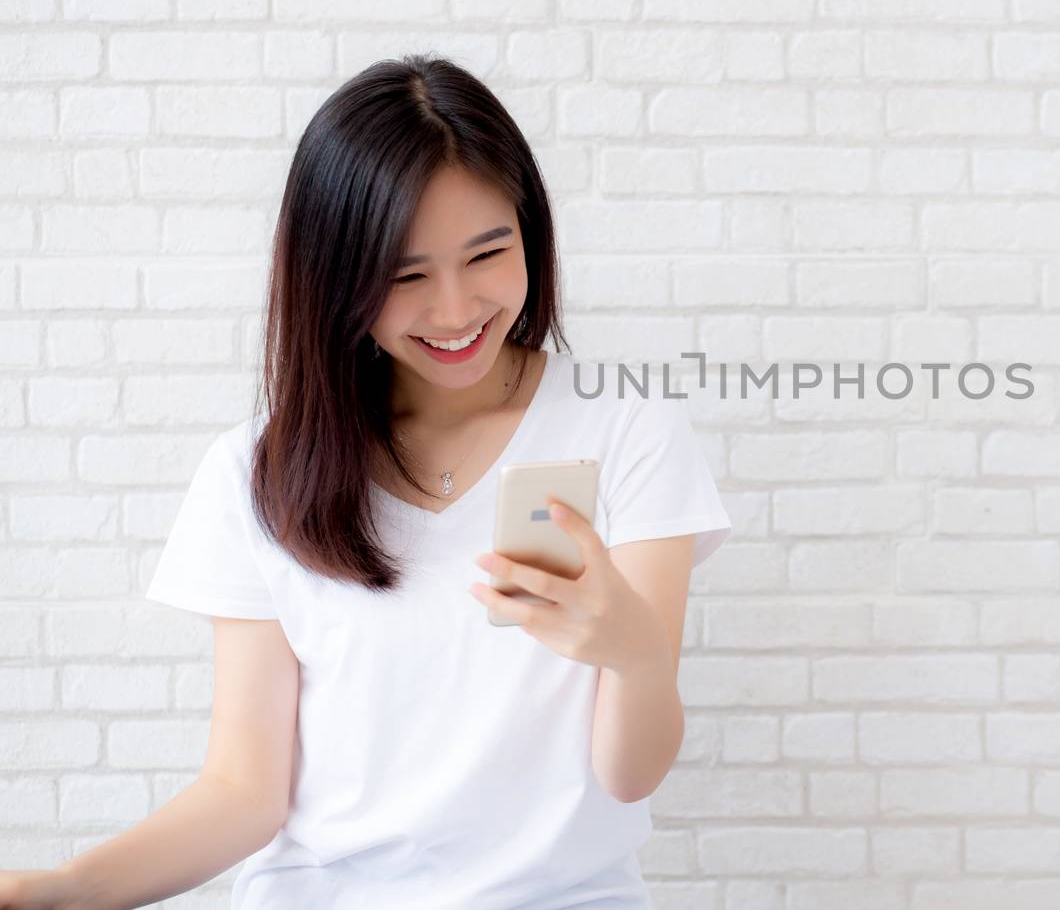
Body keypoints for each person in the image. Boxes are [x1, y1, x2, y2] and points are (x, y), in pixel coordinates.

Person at [0, 55, 732, 910]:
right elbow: (243, 790)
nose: (456, 310)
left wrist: (634, 650)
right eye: (406, 275)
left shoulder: (624, 429)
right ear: (335, 278)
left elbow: (628, 774)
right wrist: (61, 889)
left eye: (488, 253)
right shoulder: (258, 474)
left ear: (530, 233)